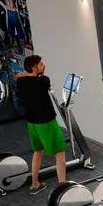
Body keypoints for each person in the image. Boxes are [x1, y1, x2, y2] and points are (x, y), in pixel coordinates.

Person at [14, 55, 66, 194]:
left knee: (38, 151)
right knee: (59, 153)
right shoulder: (44, 80)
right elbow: (40, 80)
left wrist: (24, 75)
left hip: (32, 123)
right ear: (34, 67)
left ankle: (35, 184)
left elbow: (28, 79)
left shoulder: (21, 82)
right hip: (46, 122)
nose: (44, 66)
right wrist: (28, 74)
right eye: (41, 64)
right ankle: (63, 189)